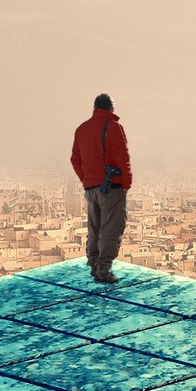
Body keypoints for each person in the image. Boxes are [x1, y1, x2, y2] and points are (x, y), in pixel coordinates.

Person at [71, 93, 132, 283]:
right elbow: (123, 158)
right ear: (111, 108)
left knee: (94, 226)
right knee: (111, 228)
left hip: (91, 188)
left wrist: (86, 179)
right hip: (111, 186)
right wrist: (126, 182)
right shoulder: (114, 128)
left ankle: (93, 264)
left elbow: (75, 159)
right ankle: (103, 270)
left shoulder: (82, 129)